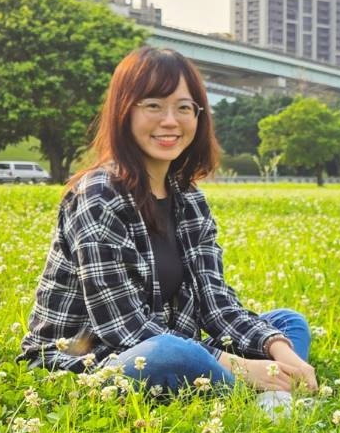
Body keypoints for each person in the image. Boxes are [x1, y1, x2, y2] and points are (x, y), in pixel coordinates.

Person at [21, 47, 317, 408]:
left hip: (174, 338)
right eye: (153, 106)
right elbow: (123, 329)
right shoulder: (98, 195)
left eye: (183, 107)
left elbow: (216, 303)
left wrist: (280, 352)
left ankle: (270, 388)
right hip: (86, 359)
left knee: (288, 325)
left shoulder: (189, 199)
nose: (170, 121)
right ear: (124, 111)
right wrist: (239, 366)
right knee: (173, 355)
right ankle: (264, 395)